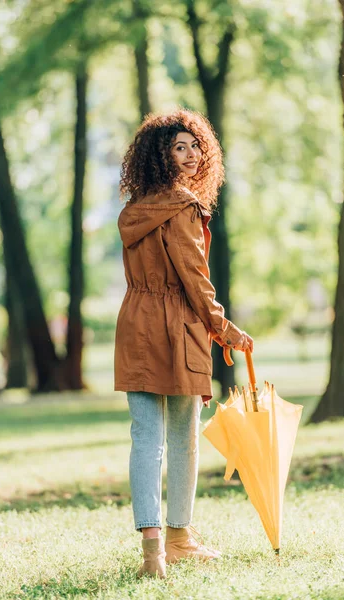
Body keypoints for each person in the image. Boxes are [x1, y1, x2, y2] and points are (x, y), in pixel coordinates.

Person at [114, 109, 253, 579]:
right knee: (182, 438)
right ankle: (178, 539)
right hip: (178, 323)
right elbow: (195, 279)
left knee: (144, 438)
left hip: (136, 321)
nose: (192, 154)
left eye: (195, 145)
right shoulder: (183, 207)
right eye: (180, 147)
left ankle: (154, 550)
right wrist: (224, 328)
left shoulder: (134, 209)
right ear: (161, 156)